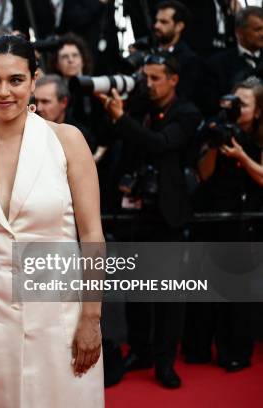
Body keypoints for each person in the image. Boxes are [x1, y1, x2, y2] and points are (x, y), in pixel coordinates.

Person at [0, 35, 104, 407]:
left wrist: (91, 318)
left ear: (33, 80)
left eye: (15, 80)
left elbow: (92, 235)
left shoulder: (67, 141)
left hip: (60, 317)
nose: (3, 91)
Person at [97, 52, 202, 389]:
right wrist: (117, 115)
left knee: (168, 296)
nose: (149, 85)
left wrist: (122, 119)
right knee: (137, 290)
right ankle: (139, 351)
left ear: (174, 79)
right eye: (146, 78)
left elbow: (161, 144)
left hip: (168, 215)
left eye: (156, 78)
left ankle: (165, 362)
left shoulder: (187, 113)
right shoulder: (138, 106)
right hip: (135, 211)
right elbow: (117, 141)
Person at [184, 77, 263, 373]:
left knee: (237, 293)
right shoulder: (214, 127)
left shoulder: (257, 137)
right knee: (202, 289)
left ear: (257, 111)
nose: (235, 108)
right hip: (210, 217)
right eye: (233, 101)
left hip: (244, 222)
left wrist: (242, 155)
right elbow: (203, 174)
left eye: (243, 104)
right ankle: (197, 348)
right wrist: (215, 146)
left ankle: (234, 351)